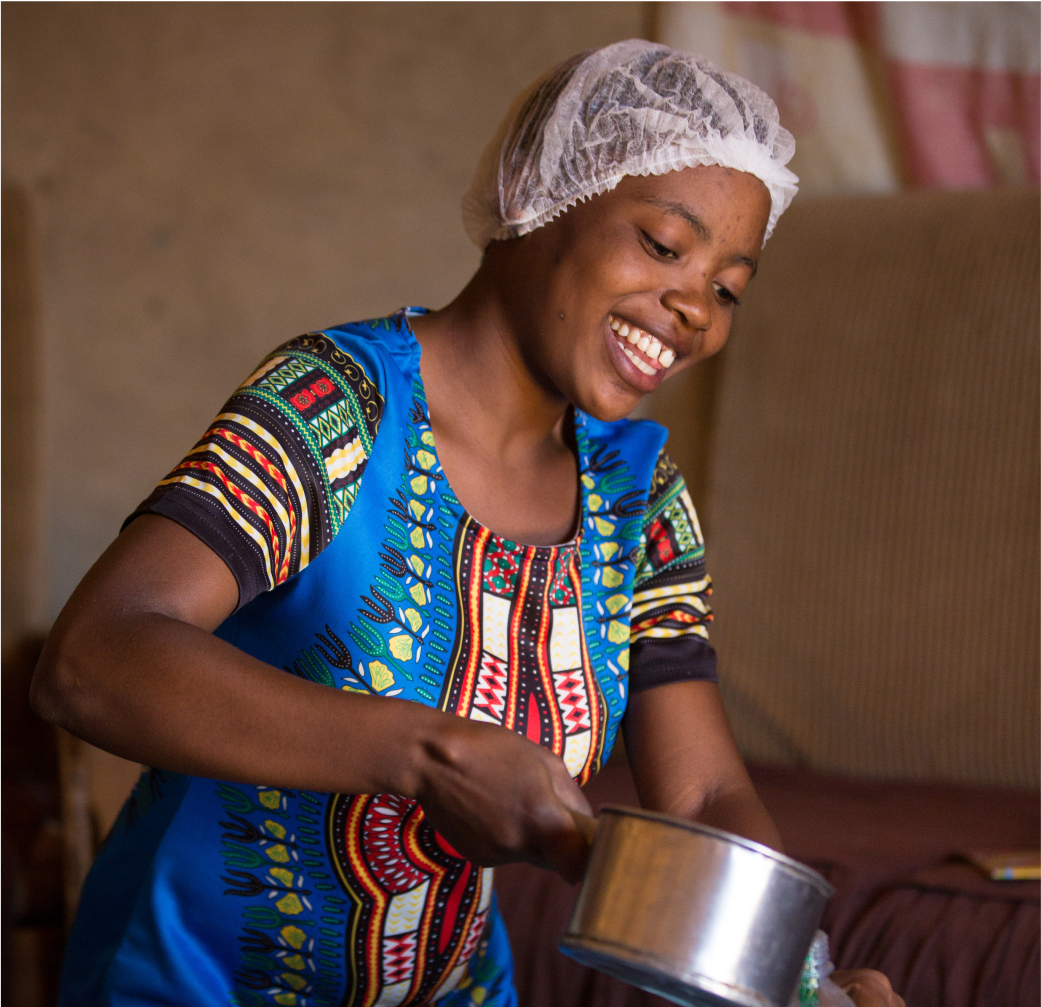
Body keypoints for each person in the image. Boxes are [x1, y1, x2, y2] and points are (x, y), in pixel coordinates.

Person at [33, 40, 903, 1007]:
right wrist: (426, 752)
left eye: (729, 286)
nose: (694, 307)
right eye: (663, 244)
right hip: (186, 988)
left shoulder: (637, 495)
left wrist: (799, 975)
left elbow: (699, 795)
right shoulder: (336, 409)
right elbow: (92, 660)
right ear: (539, 193)